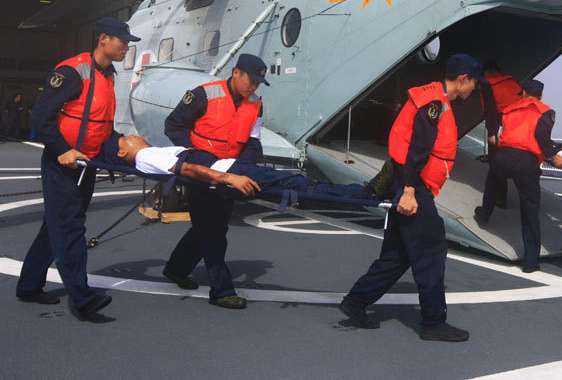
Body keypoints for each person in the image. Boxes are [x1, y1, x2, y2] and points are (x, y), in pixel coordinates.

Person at [340, 53, 486, 342]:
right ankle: (434, 322)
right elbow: (418, 148)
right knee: (432, 249)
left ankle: (356, 301)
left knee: (398, 253)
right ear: (463, 79)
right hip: (413, 186)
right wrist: (408, 191)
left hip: (410, 183)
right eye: (474, 83)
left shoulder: (436, 99)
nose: (474, 89)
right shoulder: (435, 103)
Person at [16, 17, 139, 318]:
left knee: (56, 226)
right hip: (63, 164)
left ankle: (29, 286)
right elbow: (41, 115)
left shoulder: (108, 75)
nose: (126, 46)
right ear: (103, 39)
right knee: (70, 227)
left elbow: (100, 125)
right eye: (122, 41)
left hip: (87, 163)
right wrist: (62, 150)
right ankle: (81, 298)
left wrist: (121, 146)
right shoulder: (73, 72)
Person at [161, 53, 269, 310]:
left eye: (258, 83)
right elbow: (174, 125)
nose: (253, 87)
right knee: (214, 231)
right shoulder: (203, 95)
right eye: (251, 80)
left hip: (231, 173)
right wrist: (193, 156)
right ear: (236, 73)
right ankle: (221, 290)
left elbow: (253, 141)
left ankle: (176, 268)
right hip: (202, 172)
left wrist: (244, 168)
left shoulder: (256, 104)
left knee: (209, 226)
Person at [107, 134, 380, 201]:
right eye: (125, 138)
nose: (132, 134)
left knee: (295, 183)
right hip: (231, 171)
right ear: (123, 152)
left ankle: (177, 268)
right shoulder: (146, 156)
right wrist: (231, 178)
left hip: (231, 167)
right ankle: (362, 194)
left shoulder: (148, 153)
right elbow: (188, 170)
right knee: (297, 184)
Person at [473, 79, 562, 272]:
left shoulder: (508, 109)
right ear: (541, 95)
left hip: (503, 156)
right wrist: (553, 155)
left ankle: (484, 214)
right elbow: (541, 136)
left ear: (523, 93)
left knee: (492, 182)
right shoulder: (546, 111)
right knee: (530, 207)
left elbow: (499, 134)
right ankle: (530, 262)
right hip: (526, 161)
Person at [479, 61, 522, 208]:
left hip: (501, 122)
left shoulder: (487, 83)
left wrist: (491, 132)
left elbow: (490, 109)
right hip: (519, 124)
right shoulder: (512, 81)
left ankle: (501, 197)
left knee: (495, 161)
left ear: (487, 72)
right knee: (519, 160)